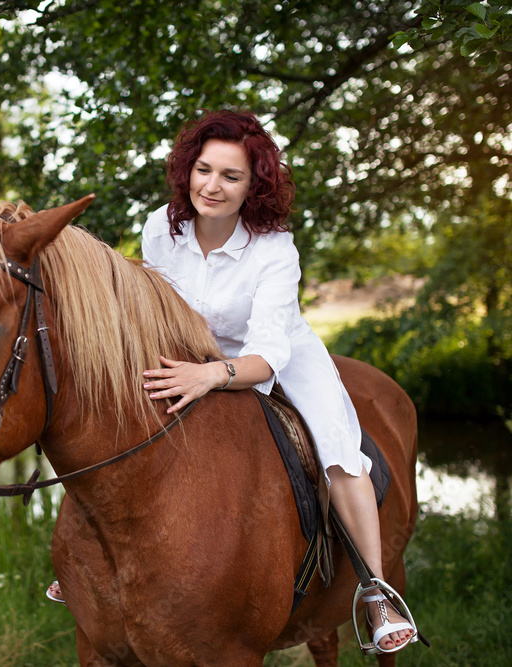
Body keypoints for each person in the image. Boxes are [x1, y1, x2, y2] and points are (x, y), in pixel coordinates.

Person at [49, 110, 415, 655]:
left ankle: (374, 589)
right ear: (186, 171)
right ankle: (88, 566)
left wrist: (211, 375)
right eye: (203, 170)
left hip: (270, 353)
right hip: (184, 348)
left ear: (253, 186)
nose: (212, 187)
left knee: (340, 452)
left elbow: (266, 356)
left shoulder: (274, 249)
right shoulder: (160, 227)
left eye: (230, 176)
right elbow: (153, 307)